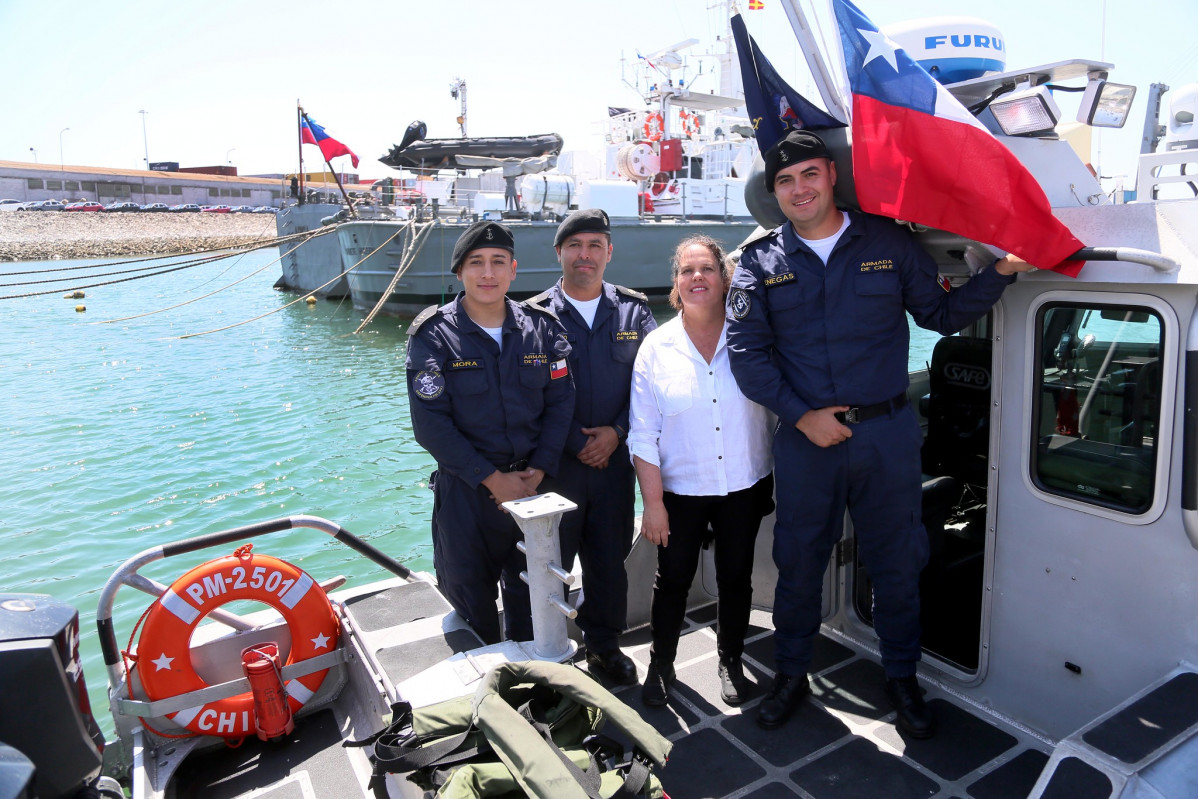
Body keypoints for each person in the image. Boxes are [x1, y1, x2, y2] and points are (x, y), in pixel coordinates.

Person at [726, 130, 1035, 736]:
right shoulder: (761, 262)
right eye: (785, 182)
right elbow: (747, 354)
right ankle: (792, 674)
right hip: (806, 440)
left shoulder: (889, 242)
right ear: (775, 192)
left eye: (809, 174)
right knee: (798, 562)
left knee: (896, 562)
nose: (798, 189)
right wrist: (803, 416)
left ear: (831, 176)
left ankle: (901, 678)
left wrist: (1001, 269)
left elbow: (940, 316)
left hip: (886, 436)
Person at [406, 220, 574, 645]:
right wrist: (493, 480)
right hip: (467, 495)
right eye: (476, 263)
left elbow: (560, 405)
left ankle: (536, 692)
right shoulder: (433, 336)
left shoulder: (543, 328)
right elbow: (431, 426)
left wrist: (537, 471)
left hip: (533, 488)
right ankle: (487, 699)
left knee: (533, 601)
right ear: (459, 272)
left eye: (498, 262)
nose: (488, 273)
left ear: (513, 270)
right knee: (470, 605)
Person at [629, 235, 775, 707]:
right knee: (672, 581)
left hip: (743, 484)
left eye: (707, 269)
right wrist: (652, 504)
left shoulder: (752, 337)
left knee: (736, 577)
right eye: (687, 271)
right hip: (680, 490)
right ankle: (661, 664)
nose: (697, 278)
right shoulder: (656, 348)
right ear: (676, 284)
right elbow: (642, 433)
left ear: (724, 277)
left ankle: (730, 661)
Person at [526, 208, 656, 686]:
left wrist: (616, 433)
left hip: (613, 467)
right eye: (575, 246)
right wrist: (569, 443)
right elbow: (523, 399)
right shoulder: (532, 317)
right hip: (555, 469)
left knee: (608, 563)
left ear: (608, 253)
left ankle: (603, 647)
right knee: (546, 565)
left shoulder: (633, 311)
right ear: (559, 252)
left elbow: (647, 387)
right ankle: (545, 653)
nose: (585, 255)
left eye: (595, 245)